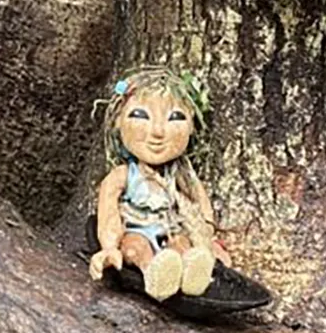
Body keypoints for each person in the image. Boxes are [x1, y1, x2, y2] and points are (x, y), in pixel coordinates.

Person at [89, 67, 231, 301]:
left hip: (172, 230)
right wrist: (110, 247)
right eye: (140, 115)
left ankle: (190, 275)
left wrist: (208, 239)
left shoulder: (182, 177)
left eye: (175, 117)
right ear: (117, 121)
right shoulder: (123, 175)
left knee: (181, 245)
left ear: (192, 126)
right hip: (136, 231)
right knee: (135, 247)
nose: (158, 132)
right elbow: (109, 214)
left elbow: (201, 206)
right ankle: (153, 274)